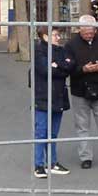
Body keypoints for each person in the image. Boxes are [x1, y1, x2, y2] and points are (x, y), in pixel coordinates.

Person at [64, 14, 98, 171]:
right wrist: (83, 69)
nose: (89, 35)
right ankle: (85, 157)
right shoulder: (71, 45)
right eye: (86, 32)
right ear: (79, 30)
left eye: (92, 32)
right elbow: (67, 68)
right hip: (79, 91)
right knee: (82, 126)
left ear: (95, 29)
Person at [31, 26, 73, 178]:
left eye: (58, 35)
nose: (58, 38)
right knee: (41, 133)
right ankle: (39, 165)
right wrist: (59, 66)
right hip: (43, 97)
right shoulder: (38, 51)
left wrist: (57, 65)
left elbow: (69, 67)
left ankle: (52, 163)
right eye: (55, 35)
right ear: (44, 36)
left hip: (59, 97)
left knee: (53, 133)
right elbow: (45, 70)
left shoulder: (61, 50)